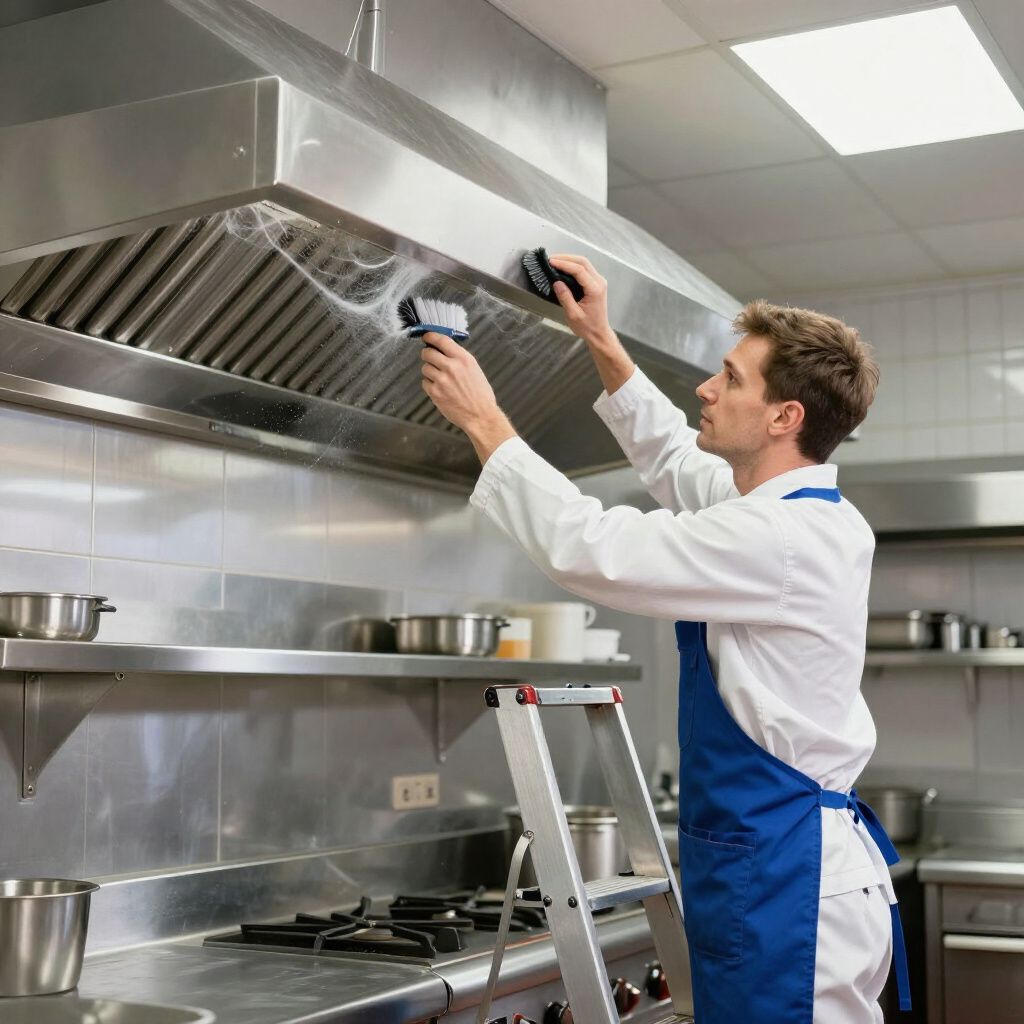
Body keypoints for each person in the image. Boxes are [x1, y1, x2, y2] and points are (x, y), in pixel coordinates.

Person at [418, 253, 907, 1024]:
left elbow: (596, 549)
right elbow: (680, 464)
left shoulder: (782, 536)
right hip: (768, 872)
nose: (706, 389)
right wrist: (601, 339)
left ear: (786, 418)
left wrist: (485, 420)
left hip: (791, 890)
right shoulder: (786, 510)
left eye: (731, 379)